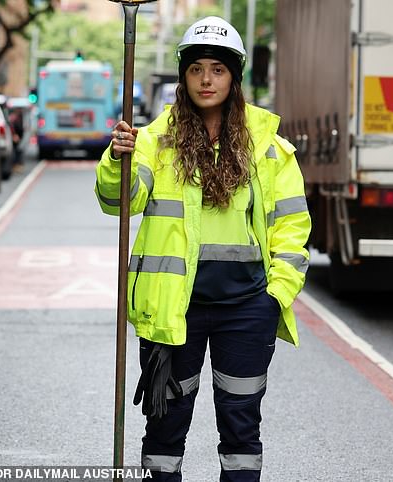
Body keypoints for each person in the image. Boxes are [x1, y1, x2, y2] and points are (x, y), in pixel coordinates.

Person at [95, 16, 311, 482]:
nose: (206, 79)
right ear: (183, 76)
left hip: (247, 310)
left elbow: (292, 228)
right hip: (173, 311)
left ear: (234, 78)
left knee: (241, 431)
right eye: (196, 69)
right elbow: (118, 202)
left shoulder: (268, 149)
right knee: (164, 430)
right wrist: (118, 158)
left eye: (217, 69)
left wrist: (276, 295)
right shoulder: (153, 141)